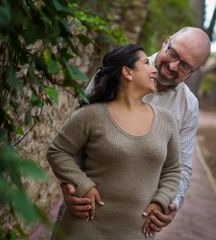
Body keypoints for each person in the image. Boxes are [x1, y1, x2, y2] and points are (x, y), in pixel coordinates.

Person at [61, 27, 211, 237]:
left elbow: (181, 167)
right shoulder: (117, 69)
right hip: (84, 215)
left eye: (185, 65)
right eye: (173, 53)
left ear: (194, 72)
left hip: (136, 227)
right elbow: (73, 143)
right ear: (165, 42)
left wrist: (171, 202)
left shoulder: (188, 106)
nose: (173, 66)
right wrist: (69, 186)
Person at [47, 44, 181, 239]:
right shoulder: (90, 116)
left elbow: (173, 170)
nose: (153, 69)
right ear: (127, 72)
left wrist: (161, 200)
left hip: (136, 233)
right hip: (83, 229)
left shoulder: (167, 121)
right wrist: (83, 184)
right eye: (146, 63)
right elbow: (57, 151)